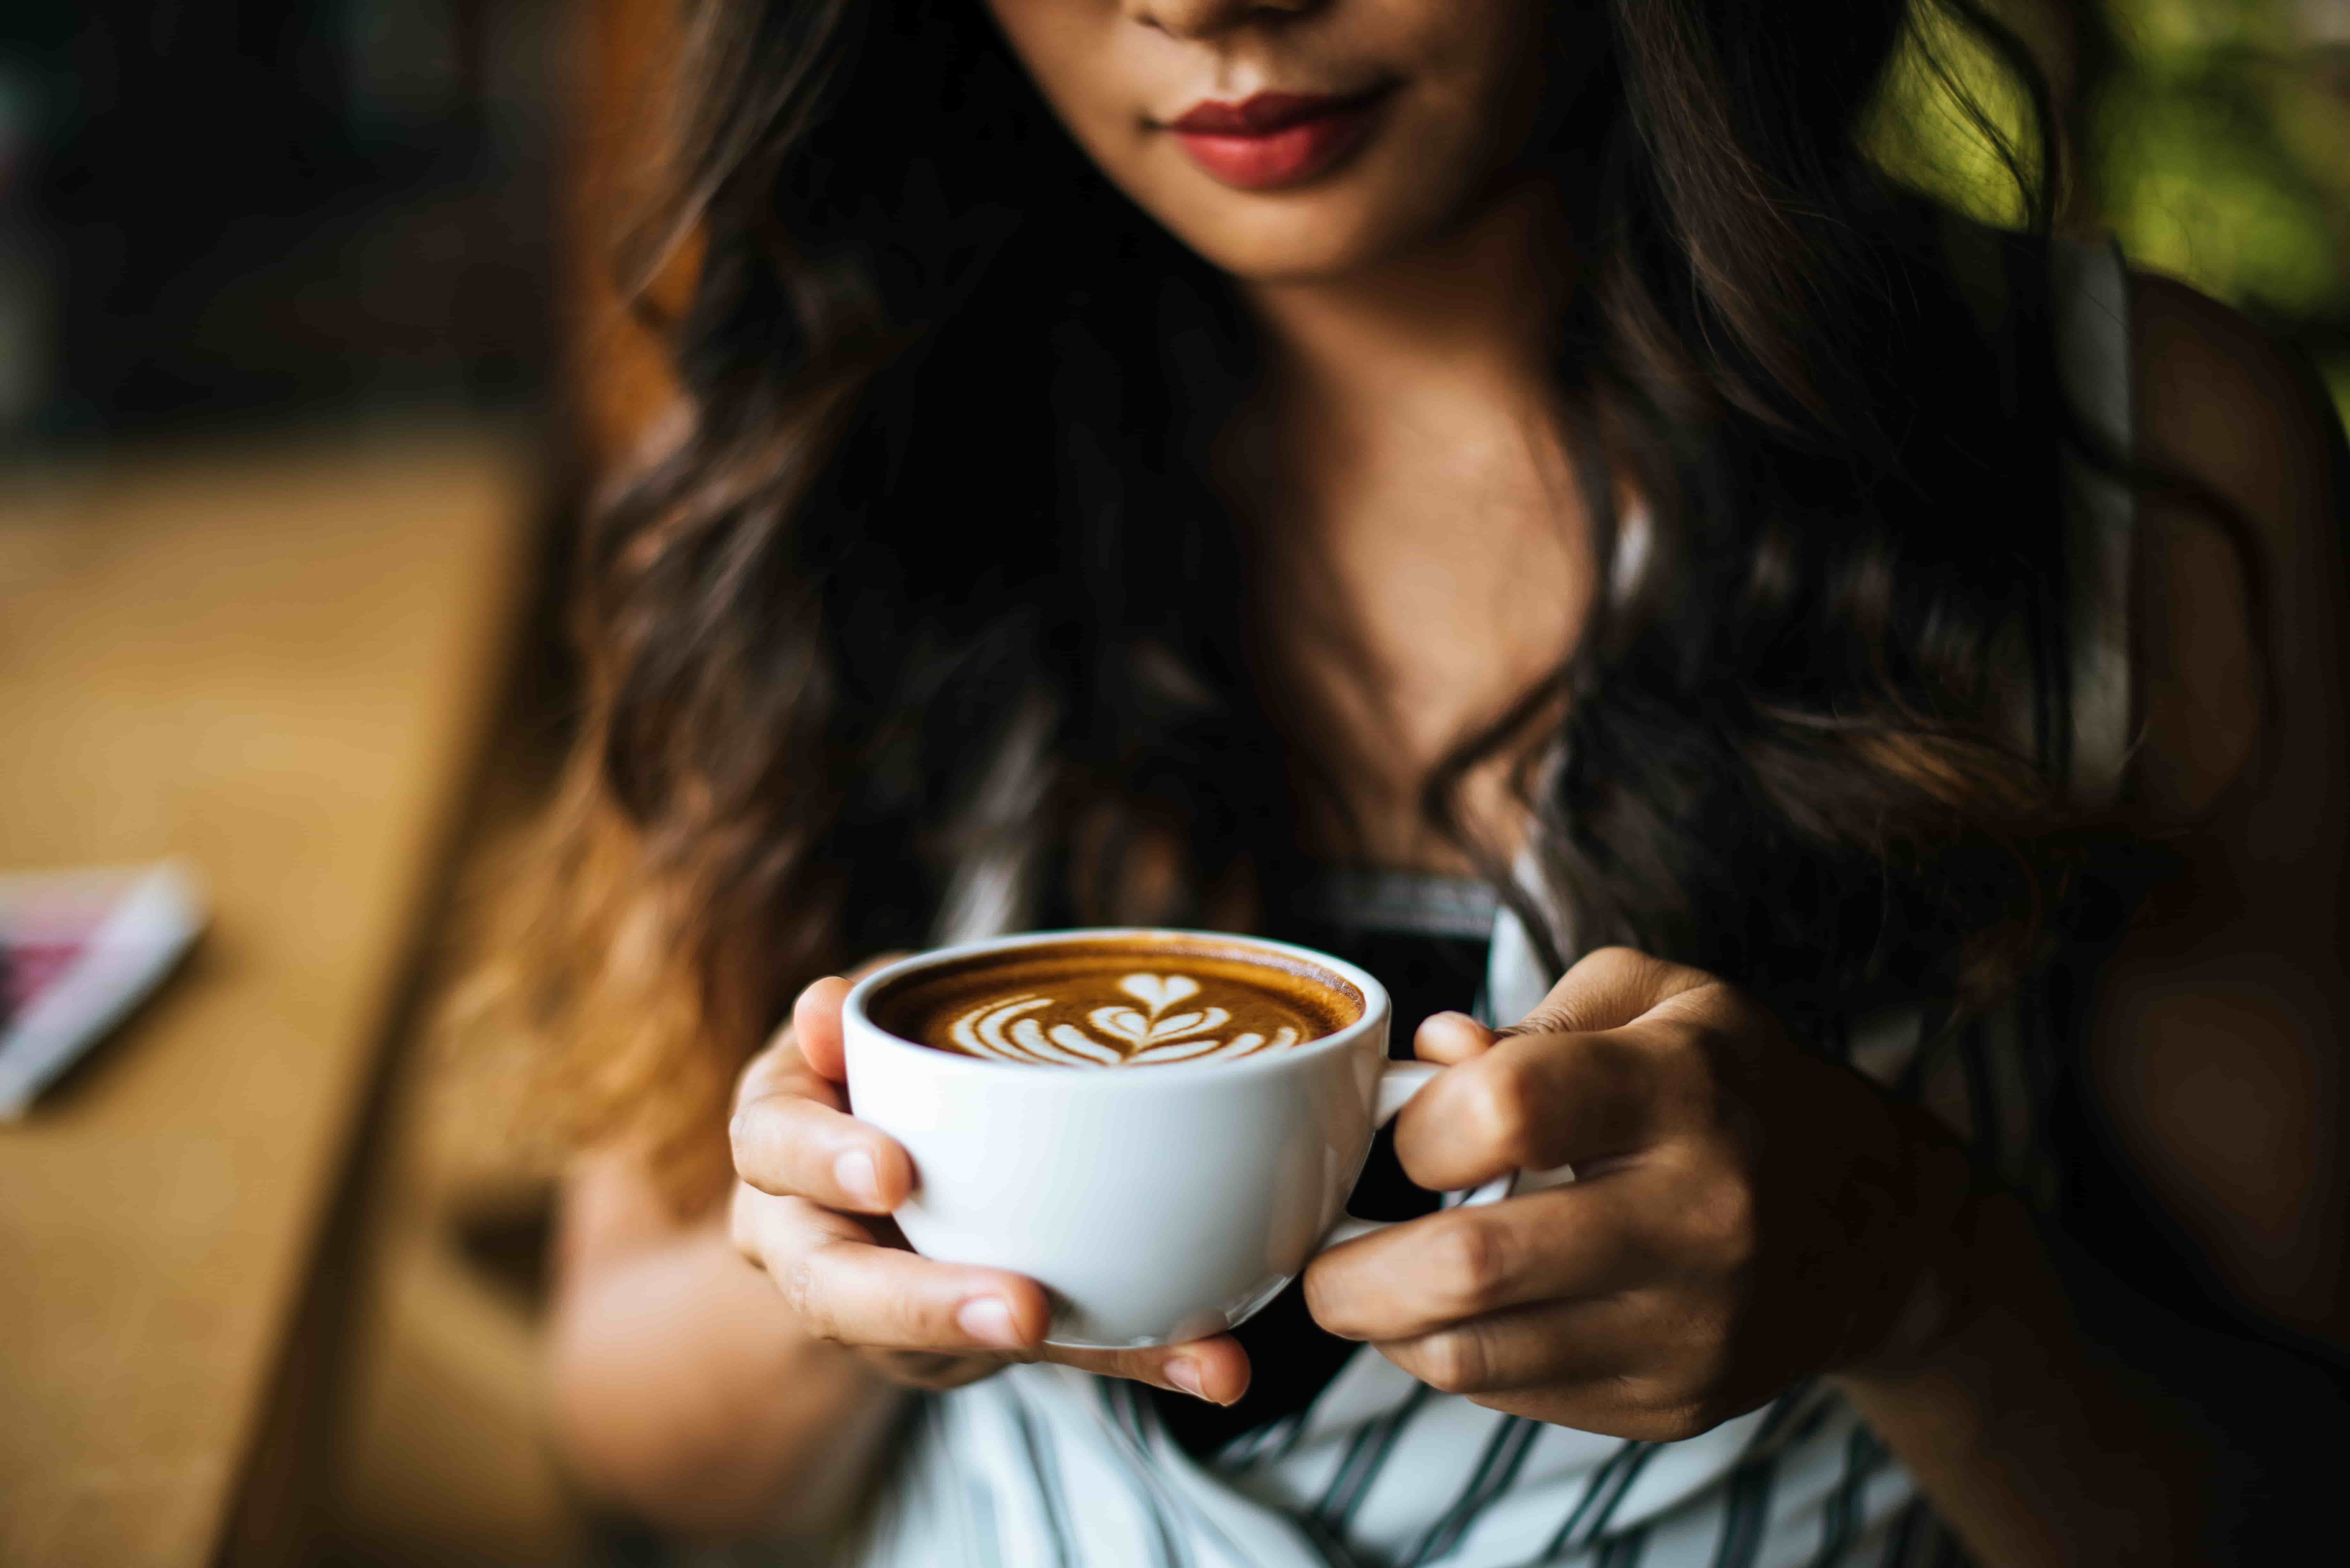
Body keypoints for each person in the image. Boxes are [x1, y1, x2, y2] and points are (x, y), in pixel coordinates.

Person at [512, 0, 2349, 1562]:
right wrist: (856, 1273)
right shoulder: (814, 469)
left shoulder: (2131, 459)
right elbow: (632, 1415)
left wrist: (1923, 1283)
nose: (1210, 5)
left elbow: (2294, 1491)